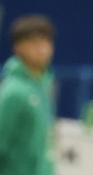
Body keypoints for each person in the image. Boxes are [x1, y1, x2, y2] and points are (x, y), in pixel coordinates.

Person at [0, 14, 56, 175]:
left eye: (46, 41)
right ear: (17, 47)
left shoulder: (44, 85)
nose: (41, 48)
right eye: (33, 42)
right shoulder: (14, 92)